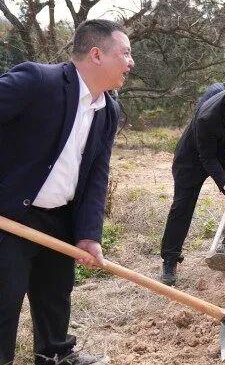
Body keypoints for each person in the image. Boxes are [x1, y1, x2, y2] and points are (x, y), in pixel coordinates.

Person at [0, 19, 132, 365]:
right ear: (96, 54)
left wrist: (89, 235)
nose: (131, 63)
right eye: (125, 53)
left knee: (55, 293)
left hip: (59, 216)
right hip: (8, 215)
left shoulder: (108, 111)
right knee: (4, 299)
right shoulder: (37, 82)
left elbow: (95, 177)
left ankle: (55, 354)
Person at [160, 80, 225, 285]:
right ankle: (170, 260)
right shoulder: (208, 118)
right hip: (193, 159)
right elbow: (207, 159)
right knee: (183, 206)